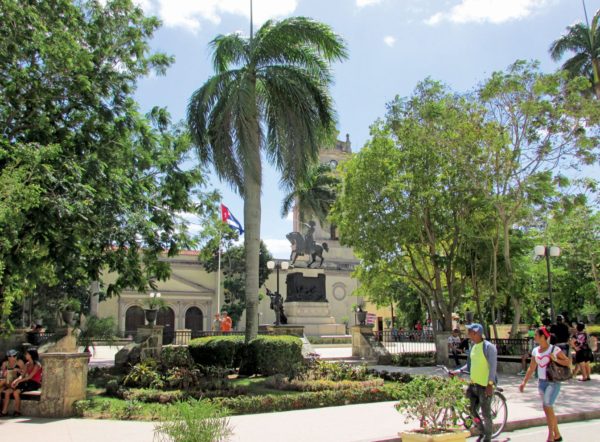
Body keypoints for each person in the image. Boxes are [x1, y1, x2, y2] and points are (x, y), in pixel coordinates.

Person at [519, 327, 571, 442]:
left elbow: (568, 362)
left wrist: (555, 359)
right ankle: (557, 434)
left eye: (536, 335)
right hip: (541, 383)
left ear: (543, 337)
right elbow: (532, 368)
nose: (535, 337)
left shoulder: (554, 349)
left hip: (553, 382)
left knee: (547, 406)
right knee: (548, 409)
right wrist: (524, 382)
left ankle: (550, 436)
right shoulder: (535, 351)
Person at [451, 323, 497, 442]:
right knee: (470, 409)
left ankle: (488, 436)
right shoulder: (473, 346)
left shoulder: (488, 347)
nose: (468, 333)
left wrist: (490, 384)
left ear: (476, 333)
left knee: (486, 413)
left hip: (485, 385)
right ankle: (481, 429)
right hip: (473, 384)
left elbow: (493, 367)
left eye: (470, 331)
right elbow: (470, 365)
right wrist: (458, 371)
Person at [1, 349, 42, 417]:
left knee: (16, 392)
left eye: (27, 354)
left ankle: (17, 411)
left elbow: (29, 377)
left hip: (34, 383)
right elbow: (22, 375)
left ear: (31, 355)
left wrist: (18, 381)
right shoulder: (27, 364)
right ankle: (6, 411)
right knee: (10, 391)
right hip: (26, 382)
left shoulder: (37, 365)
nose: (25, 355)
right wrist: (16, 380)